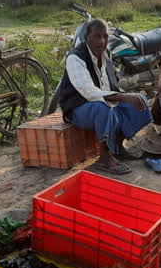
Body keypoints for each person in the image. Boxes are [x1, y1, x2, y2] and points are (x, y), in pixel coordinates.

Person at [58, 18, 152, 175]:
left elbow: (110, 87)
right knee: (102, 107)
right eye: (96, 36)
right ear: (86, 37)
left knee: (140, 100)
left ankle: (117, 146)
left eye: (105, 36)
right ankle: (104, 158)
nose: (101, 41)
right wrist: (123, 97)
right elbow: (89, 93)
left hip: (103, 104)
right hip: (78, 109)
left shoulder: (105, 54)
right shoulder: (75, 58)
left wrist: (129, 96)